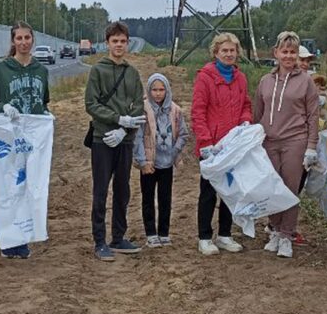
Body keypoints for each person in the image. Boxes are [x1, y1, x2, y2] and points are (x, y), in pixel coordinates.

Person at [0, 22, 50, 259]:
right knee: (10, 188)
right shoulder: (2, 70)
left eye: (27, 38)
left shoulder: (41, 70)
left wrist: (46, 115)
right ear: (13, 41)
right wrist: (3, 107)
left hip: (32, 143)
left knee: (30, 187)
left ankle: (24, 235)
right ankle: (9, 240)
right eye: (19, 38)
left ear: (33, 40)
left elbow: (43, 103)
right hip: (9, 142)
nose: (23, 42)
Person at [253, 31, 319, 259]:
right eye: (284, 52)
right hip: (269, 142)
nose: (288, 56)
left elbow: (313, 115)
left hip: (295, 141)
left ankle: (287, 235)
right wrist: (254, 140)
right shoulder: (265, 81)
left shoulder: (306, 81)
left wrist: (311, 145)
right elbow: (258, 113)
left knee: (290, 190)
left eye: (293, 52)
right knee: (272, 188)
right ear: (276, 53)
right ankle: (274, 230)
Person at [84, 21, 146, 261]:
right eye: (114, 41)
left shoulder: (132, 73)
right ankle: (99, 241)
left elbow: (138, 104)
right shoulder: (98, 70)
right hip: (102, 139)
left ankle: (118, 237)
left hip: (125, 140)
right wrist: (117, 119)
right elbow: (92, 104)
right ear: (107, 43)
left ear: (127, 43)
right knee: (101, 191)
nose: (119, 45)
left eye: (122, 41)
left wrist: (124, 129)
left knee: (123, 190)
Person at [190, 32, 251, 257]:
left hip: (234, 145)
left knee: (231, 191)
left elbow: (246, 103)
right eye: (224, 50)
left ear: (237, 53)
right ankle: (204, 237)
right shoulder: (205, 77)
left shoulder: (240, 78)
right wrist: (205, 141)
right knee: (208, 192)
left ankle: (225, 234)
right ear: (215, 52)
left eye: (232, 50)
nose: (228, 54)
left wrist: (246, 120)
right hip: (213, 146)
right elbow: (198, 111)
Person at [132, 73, 189, 248]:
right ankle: (151, 233)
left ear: (167, 90)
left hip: (167, 163)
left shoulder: (175, 110)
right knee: (148, 198)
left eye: (161, 89)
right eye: (154, 90)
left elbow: (184, 134)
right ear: (149, 90)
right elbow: (138, 137)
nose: (158, 93)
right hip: (149, 164)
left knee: (165, 199)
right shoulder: (142, 109)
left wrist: (174, 152)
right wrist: (142, 161)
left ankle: (164, 233)